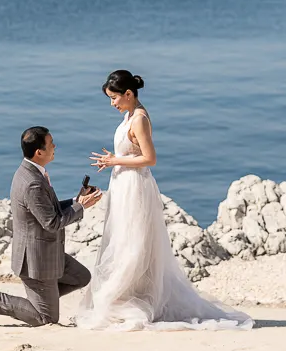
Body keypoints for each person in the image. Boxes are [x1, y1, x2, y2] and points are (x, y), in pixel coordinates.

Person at [75, 70, 253, 331]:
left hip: (135, 187)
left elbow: (150, 158)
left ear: (129, 94)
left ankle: (126, 296)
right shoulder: (129, 114)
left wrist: (115, 160)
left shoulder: (140, 119)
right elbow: (133, 151)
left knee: (132, 242)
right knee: (122, 238)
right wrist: (114, 159)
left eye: (115, 98)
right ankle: (125, 294)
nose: (112, 103)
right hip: (123, 184)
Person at [0, 126, 102, 326]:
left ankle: (42, 301)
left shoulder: (31, 172)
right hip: (37, 261)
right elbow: (52, 222)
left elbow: (49, 209)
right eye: (51, 144)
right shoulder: (33, 182)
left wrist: (77, 200)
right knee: (47, 318)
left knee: (81, 276)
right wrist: (80, 207)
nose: (55, 146)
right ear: (39, 152)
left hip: (48, 252)